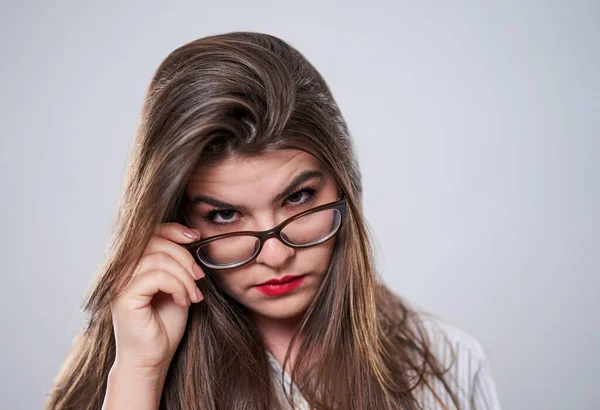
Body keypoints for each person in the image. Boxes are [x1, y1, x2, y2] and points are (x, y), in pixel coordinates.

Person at [45, 31, 502, 410]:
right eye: (224, 215)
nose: (279, 255)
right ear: (175, 221)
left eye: (299, 198)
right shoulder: (129, 367)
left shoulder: (450, 364)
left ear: (344, 187)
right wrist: (141, 371)